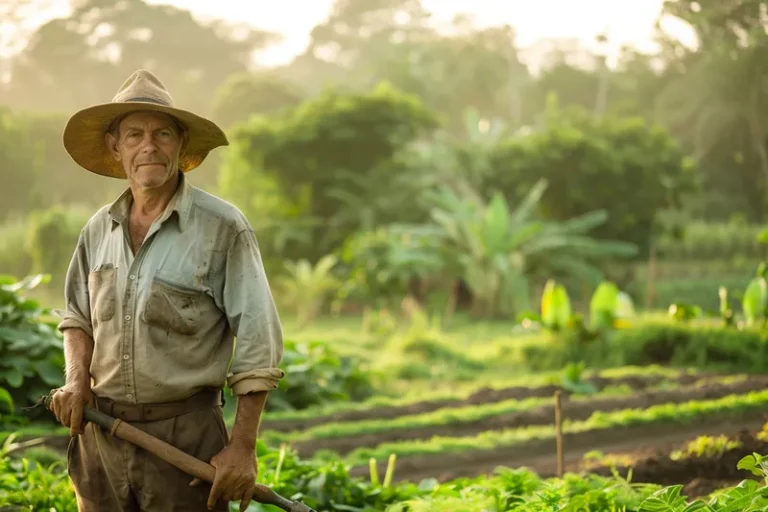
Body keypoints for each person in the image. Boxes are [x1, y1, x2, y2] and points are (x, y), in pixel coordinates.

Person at [48, 69, 285, 512]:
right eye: (134, 134)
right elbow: (77, 317)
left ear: (180, 144)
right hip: (100, 437)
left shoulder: (222, 227)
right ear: (115, 148)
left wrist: (243, 448)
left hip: (185, 441)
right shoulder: (99, 228)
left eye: (162, 133)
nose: (148, 146)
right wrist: (77, 381)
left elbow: (258, 342)